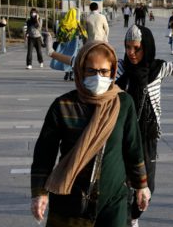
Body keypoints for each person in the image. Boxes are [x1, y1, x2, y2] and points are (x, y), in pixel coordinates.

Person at [45, 24, 173, 227]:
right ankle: (126, 218)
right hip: (119, 133)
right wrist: (52, 53)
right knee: (124, 181)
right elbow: (79, 62)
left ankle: (134, 216)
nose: (131, 52)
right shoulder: (117, 67)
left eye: (137, 48)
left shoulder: (158, 68)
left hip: (146, 137)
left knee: (148, 185)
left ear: (146, 46)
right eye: (128, 47)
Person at [31, 40, 151, 227]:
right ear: (80, 70)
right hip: (70, 200)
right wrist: (39, 193)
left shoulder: (123, 103)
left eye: (104, 71)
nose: (98, 76)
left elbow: (133, 148)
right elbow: (44, 154)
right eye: (91, 71)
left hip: (114, 200)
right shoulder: (63, 106)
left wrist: (141, 186)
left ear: (112, 72)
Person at [51, 8, 87, 81]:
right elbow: (84, 33)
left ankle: (67, 73)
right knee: (73, 58)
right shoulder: (76, 23)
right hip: (74, 44)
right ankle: (72, 74)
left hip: (64, 44)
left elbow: (58, 34)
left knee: (66, 58)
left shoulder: (63, 23)